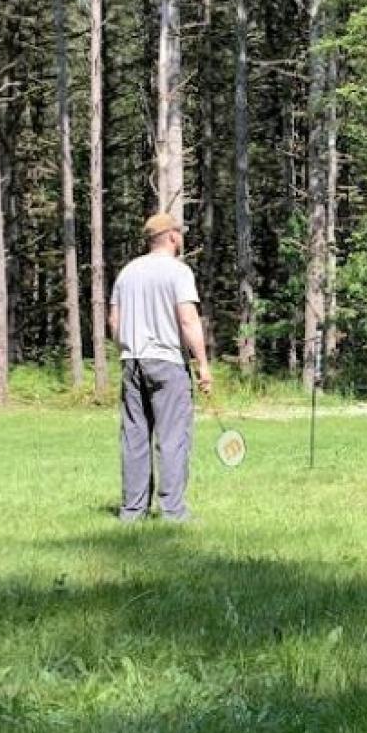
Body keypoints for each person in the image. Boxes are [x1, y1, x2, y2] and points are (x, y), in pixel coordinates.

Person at [108, 213, 212, 522]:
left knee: (134, 438)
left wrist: (126, 350)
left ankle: (132, 510)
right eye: (180, 233)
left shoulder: (127, 273)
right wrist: (203, 365)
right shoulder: (178, 272)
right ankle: (173, 511)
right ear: (171, 236)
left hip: (132, 362)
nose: (182, 238)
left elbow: (114, 321)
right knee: (172, 438)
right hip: (167, 362)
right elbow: (188, 320)